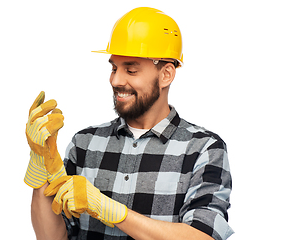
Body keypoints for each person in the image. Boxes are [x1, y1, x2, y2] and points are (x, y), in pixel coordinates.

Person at [24, 7, 234, 240]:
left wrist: (109, 209)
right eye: (114, 68)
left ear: (166, 74)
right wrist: (41, 160)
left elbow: (203, 237)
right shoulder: (85, 143)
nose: (116, 80)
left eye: (131, 70)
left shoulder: (203, 148)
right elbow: (51, 237)